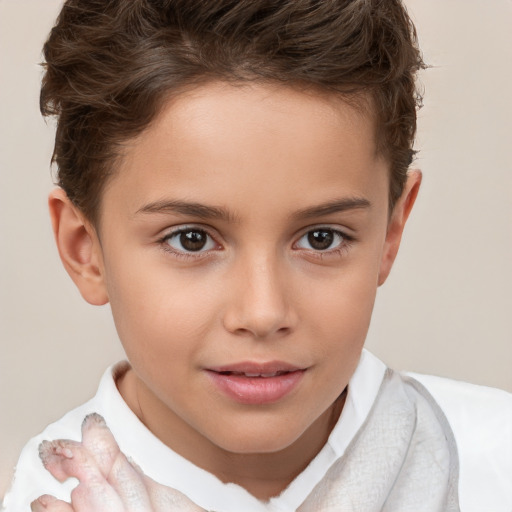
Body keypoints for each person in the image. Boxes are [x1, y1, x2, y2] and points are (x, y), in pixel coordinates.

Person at [3, 0, 511, 511]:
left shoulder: (495, 460)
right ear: (84, 249)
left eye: (321, 238)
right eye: (191, 239)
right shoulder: (45, 496)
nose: (263, 312)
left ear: (391, 231)